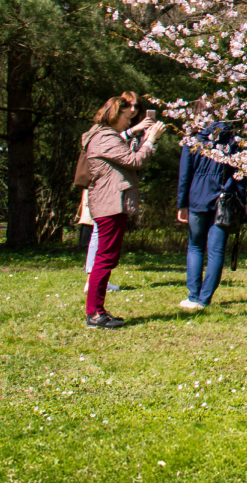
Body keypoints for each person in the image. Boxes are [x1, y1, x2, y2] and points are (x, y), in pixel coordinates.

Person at [80, 93, 163, 328]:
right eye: (127, 117)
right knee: (104, 259)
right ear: (116, 115)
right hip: (110, 204)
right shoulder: (105, 138)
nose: (130, 121)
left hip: (110, 203)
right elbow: (135, 161)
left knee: (107, 258)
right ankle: (94, 313)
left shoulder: (104, 136)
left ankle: (97, 310)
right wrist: (151, 140)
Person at [176, 100, 245, 311]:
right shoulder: (232, 138)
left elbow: (185, 174)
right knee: (216, 251)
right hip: (224, 198)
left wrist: (182, 203)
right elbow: (239, 173)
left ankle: (193, 296)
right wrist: (242, 201)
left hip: (197, 196)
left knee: (195, 246)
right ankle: (205, 299)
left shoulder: (193, 139)